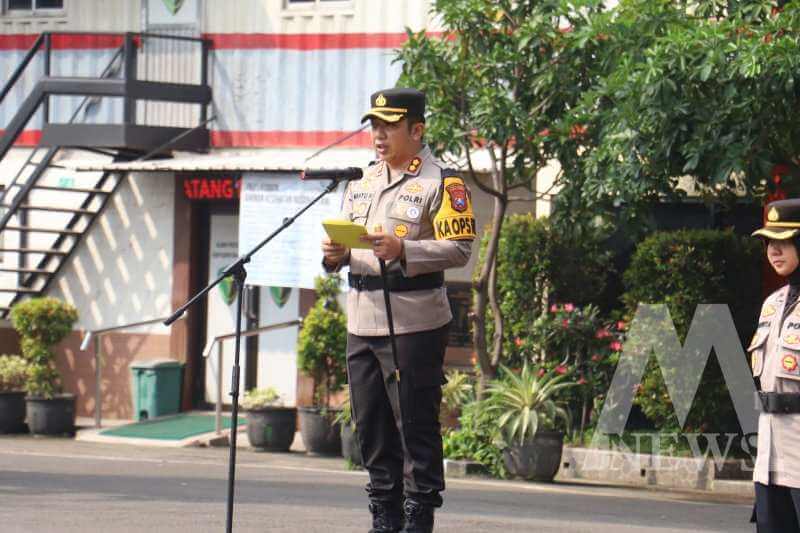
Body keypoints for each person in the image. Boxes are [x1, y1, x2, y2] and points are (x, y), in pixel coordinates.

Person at [320, 88, 476, 533]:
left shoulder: (442, 182)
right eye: (374, 126)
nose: (379, 135)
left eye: (389, 126)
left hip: (414, 320)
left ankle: (418, 515)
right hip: (361, 317)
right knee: (370, 423)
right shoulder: (361, 181)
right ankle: (383, 515)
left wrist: (404, 249)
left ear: (417, 130)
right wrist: (334, 256)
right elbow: (348, 247)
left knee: (415, 423)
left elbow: (459, 249)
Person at [749, 199, 800, 532]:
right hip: (770, 455)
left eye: (784, 242)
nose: (773, 251)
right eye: (769, 242)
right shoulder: (772, 303)